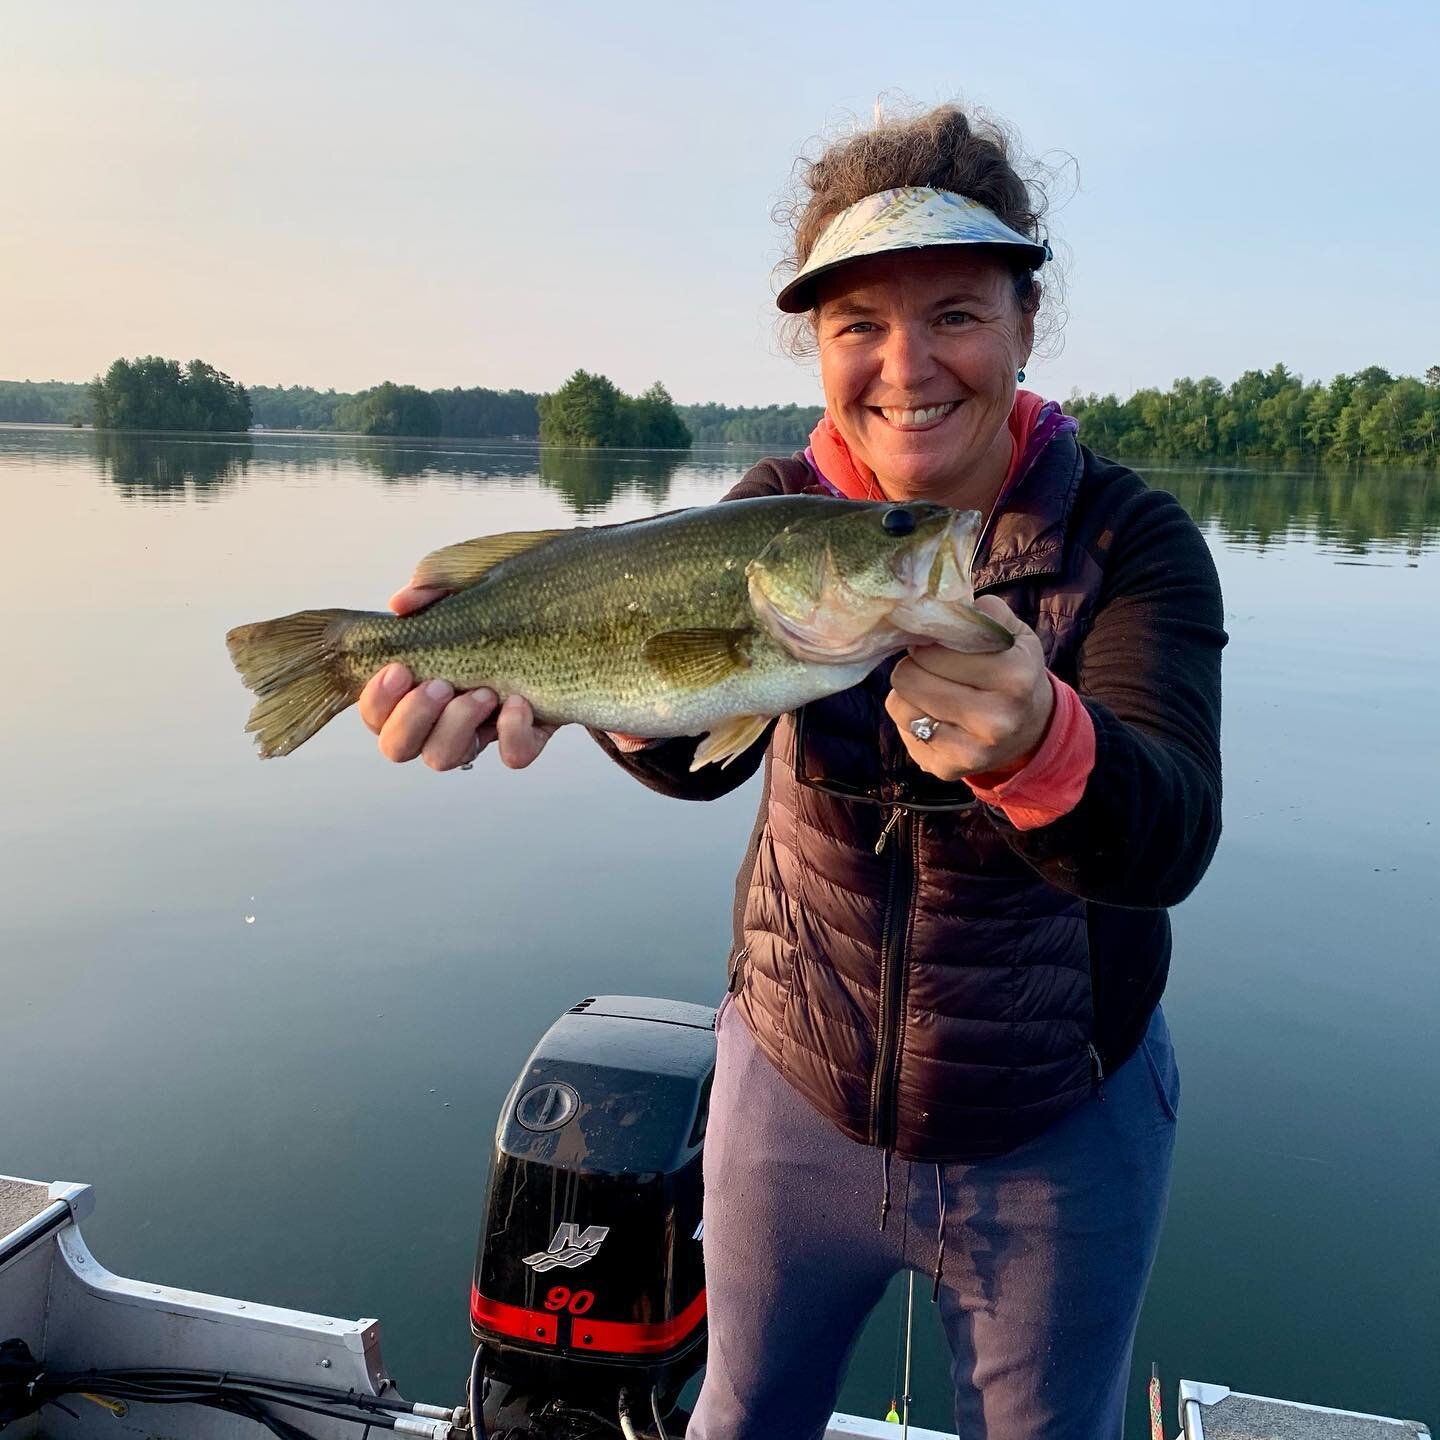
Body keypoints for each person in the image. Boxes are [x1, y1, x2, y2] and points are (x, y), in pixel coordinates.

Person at [358, 104, 1225, 1440]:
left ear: (1024, 324)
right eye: (856, 327)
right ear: (815, 348)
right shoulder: (763, 509)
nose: (905, 365)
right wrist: (592, 702)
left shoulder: (1131, 542)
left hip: (1060, 1124)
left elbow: (1167, 838)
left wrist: (1043, 748)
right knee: (743, 1414)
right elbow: (696, 752)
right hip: (792, 1096)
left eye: (955, 313)